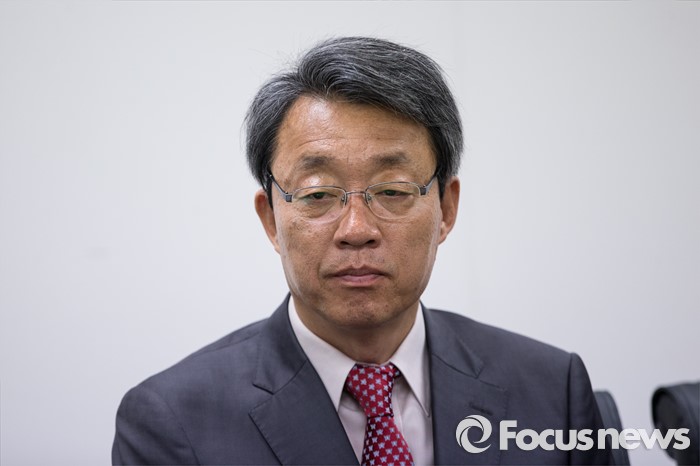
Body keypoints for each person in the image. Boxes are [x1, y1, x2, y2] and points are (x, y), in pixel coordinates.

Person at [112, 36, 611, 465]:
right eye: (317, 195)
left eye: (392, 190)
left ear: (446, 208)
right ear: (271, 219)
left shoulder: (553, 390)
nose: (356, 230)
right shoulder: (173, 421)